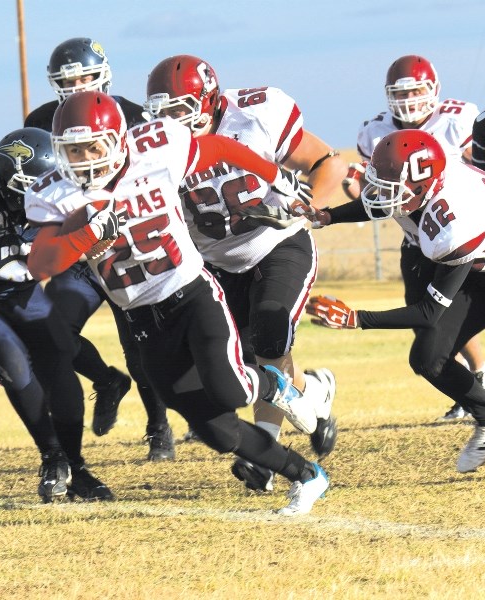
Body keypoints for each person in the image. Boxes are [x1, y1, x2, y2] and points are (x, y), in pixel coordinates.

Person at [25, 90, 330, 516]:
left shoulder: (157, 150)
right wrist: (84, 235)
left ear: (117, 139)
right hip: (142, 320)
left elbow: (220, 147)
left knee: (233, 388)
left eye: (93, 146)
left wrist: (275, 176)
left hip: (189, 293)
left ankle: (275, 383)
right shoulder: (55, 192)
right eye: (72, 150)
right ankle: (309, 476)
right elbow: (41, 263)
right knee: (218, 431)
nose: (85, 158)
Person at [144, 55, 347, 491]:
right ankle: (312, 391)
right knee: (238, 364)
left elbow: (329, 162)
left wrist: (306, 207)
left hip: (278, 244)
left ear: (209, 100)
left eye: (181, 110)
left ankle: (266, 457)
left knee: (269, 335)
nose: (172, 122)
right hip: (216, 261)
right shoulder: (155, 148)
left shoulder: (258, 112)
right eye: (163, 113)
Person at [0, 127, 113, 503]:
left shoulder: (61, 199)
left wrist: (93, 247)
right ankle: (53, 458)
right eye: (39, 184)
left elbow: (57, 254)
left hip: (19, 286)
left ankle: (77, 458)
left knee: (58, 350)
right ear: (12, 185)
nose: (51, 189)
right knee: (13, 360)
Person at [303, 129, 485, 473]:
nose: (381, 195)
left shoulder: (456, 221)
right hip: (476, 271)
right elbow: (379, 202)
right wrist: (330, 216)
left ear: (422, 189)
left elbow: (429, 313)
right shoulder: (424, 181)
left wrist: (355, 318)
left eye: (393, 189)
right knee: (428, 357)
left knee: (430, 333)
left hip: (475, 260)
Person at [26, 37, 174, 461]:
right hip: (77, 248)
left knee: (139, 344)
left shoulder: (131, 114)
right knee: (52, 330)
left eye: (85, 76)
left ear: (103, 73)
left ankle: (158, 426)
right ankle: (106, 380)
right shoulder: (40, 120)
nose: (76, 86)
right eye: (66, 80)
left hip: (125, 244)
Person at [343, 54, 485, 421]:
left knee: (433, 320)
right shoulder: (375, 131)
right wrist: (331, 213)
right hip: (424, 239)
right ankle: (476, 400)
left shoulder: (457, 123)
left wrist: (356, 318)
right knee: (430, 344)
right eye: (399, 94)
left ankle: (479, 378)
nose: (407, 101)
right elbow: (383, 195)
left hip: (463, 236)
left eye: (415, 91)